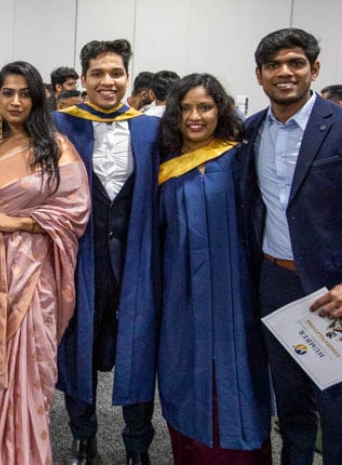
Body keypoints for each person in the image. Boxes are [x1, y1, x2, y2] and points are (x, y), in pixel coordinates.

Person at [0, 61, 90, 464]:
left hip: (34, 274)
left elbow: (76, 211)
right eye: (8, 92)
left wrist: (22, 220)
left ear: (38, 99)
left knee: (30, 366)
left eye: (25, 93)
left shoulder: (56, 148)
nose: (16, 101)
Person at [54, 39, 160, 465]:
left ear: (127, 78)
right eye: (97, 73)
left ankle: (138, 443)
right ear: (83, 80)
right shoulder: (60, 125)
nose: (107, 81)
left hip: (137, 258)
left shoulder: (152, 129)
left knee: (140, 347)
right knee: (77, 346)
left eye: (116, 73)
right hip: (82, 258)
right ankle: (83, 436)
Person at [239, 28, 342, 465]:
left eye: (295, 63)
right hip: (275, 282)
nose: (285, 73)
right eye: (273, 66)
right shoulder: (250, 132)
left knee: (336, 407)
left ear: (314, 69)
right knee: (291, 400)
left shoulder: (338, 127)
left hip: (332, 290)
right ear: (260, 76)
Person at [157, 73, 272, 464]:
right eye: (186, 108)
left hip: (235, 293)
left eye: (204, 107)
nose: (195, 116)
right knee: (186, 374)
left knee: (240, 376)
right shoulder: (165, 169)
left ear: (219, 110)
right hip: (182, 294)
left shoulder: (240, 159)